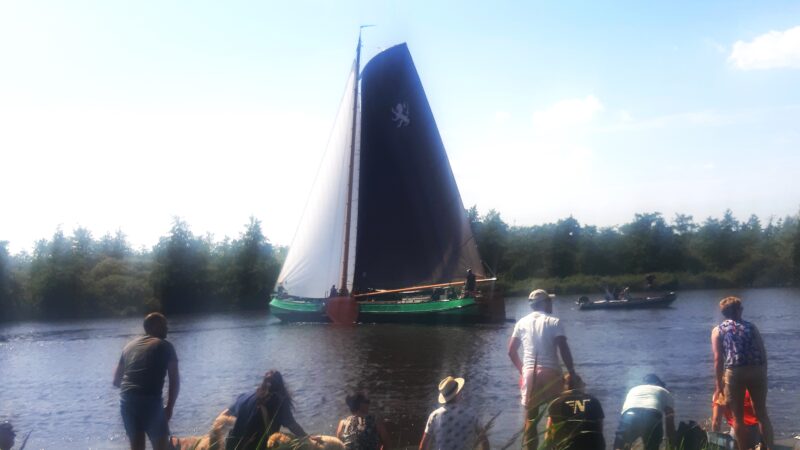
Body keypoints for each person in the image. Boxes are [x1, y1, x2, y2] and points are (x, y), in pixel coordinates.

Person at [508, 289, 577, 450]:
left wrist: (523, 371)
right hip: (551, 372)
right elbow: (563, 348)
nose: (551, 304)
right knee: (556, 416)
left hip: (530, 374)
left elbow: (511, 351)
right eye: (550, 301)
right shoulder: (554, 321)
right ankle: (554, 447)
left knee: (531, 420)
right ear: (545, 303)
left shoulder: (521, 322)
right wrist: (572, 372)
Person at [711, 296, 774, 450]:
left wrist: (719, 385)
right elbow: (762, 351)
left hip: (735, 371)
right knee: (762, 414)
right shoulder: (751, 327)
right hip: (756, 369)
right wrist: (763, 372)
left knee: (737, 417)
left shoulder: (718, 330)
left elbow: (718, 359)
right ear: (739, 310)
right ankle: (768, 447)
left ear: (724, 313)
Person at [113, 312, 180, 450]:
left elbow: (116, 381)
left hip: (126, 400)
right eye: (163, 325)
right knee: (162, 447)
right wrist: (170, 407)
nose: (167, 328)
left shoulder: (129, 346)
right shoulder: (166, 346)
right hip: (149, 399)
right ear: (153, 327)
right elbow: (174, 380)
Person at [223, 370, 307, 450]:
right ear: (281, 386)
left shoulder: (244, 397)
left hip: (232, 446)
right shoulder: (279, 401)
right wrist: (307, 438)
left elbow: (224, 415)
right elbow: (292, 425)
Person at [419, 376, 488, 450]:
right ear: (458, 393)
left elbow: (423, 446)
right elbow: (484, 441)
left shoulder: (434, 416)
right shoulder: (471, 414)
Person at [613, 374, 675, 450]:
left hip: (629, 415)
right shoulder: (664, 391)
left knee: (619, 447)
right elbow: (669, 422)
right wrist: (671, 443)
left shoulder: (634, 389)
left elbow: (626, 408)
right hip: (651, 417)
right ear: (660, 384)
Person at [545, 374, 605, 450]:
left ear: (563, 386)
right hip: (592, 446)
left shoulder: (555, 403)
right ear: (579, 385)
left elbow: (549, 433)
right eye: (583, 384)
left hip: (565, 447)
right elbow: (600, 428)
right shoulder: (593, 400)